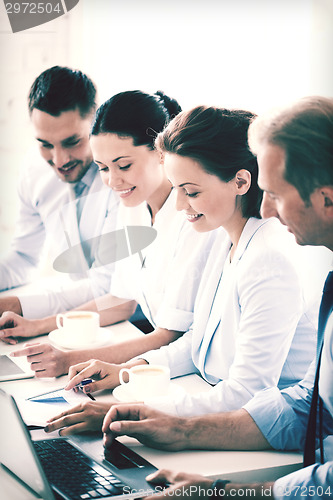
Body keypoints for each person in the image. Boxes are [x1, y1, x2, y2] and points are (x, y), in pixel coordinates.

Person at [98, 96, 333, 498]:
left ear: (327, 198)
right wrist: (151, 396)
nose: (267, 210)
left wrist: (230, 490)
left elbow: (262, 396)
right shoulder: (223, 242)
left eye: (274, 193)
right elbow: (314, 405)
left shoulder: (271, 257)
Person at [45, 105, 319, 434]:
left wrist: (130, 411)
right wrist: (131, 370)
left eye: (191, 192)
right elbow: (196, 342)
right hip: (207, 397)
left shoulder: (269, 260)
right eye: (176, 189)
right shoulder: (223, 237)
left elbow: (247, 394)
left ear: (241, 182)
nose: (179, 205)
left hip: (263, 432)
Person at [4, 91, 216, 378]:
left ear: (161, 153)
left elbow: (171, 335)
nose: (112, 181)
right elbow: (121, 301)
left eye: (124, 165)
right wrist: (38, 325)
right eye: (103, 168)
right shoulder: (133, 206)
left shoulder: (193, 217)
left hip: (194, 370)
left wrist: (69, 360)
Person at [0, 66, 119, 325]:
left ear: (96, 123)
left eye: (72, 141)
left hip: (129, 323)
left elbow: (106, 287)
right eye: (45, 144)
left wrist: (14, 306)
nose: (59, 160)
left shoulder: (121, 179)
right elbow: (25, 257)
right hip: (70, 322)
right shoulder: (33, 170)